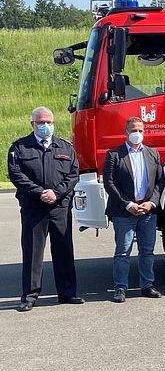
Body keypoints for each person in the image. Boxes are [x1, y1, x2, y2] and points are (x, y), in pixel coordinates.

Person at [8, 106, 83, 312]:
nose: (46, 126)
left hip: (59, 208)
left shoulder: (65, 147)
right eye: (41, 122)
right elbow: (16, 175)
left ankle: (67, 293)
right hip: (34, 208)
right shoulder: (20, 148)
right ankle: (30, 296)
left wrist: (56, 193)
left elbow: (73, 174)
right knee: (33, 252)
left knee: (64, 250)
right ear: (32, 124)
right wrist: (40, 192)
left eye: (49, 122)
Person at [103, 117, 165, 303]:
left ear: (144, 132)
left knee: (147, 251)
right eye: (133, 130)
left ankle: (147, 285)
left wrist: (152, 203)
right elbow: (109, 183)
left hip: (148, 211)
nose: (136, 133)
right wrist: (128, 204)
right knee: (123, 251)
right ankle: (120, 288)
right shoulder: (114, 155)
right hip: (124, 212)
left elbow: (160, 181)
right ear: (125, 132)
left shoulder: (153, 154)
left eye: (140, 130)